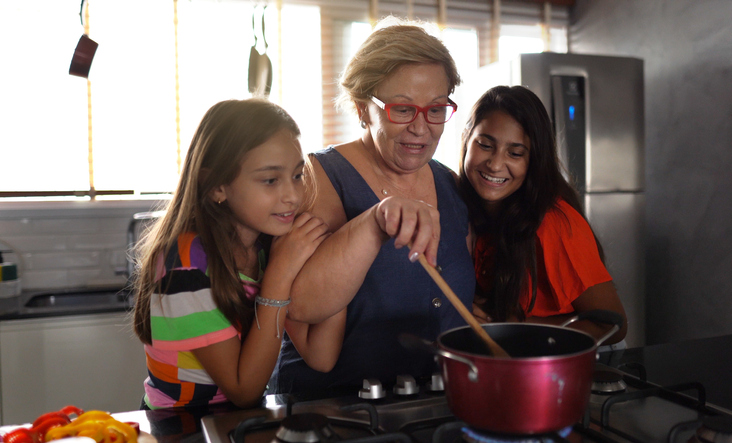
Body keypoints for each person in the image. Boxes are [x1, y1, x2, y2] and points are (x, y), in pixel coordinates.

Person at [268, 18, 475, 394]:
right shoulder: (317, 176)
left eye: (436, 109)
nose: (421, 127)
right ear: (363, 108)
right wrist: (374, 223)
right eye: (402, 109)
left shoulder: (452, 186)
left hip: (427, 407)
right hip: (327, 409)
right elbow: (298, 304)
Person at [132, 98, 345, 409]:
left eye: (298, 175)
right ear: (217, 186)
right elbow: (243, 390)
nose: (293, 195)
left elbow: (321, 355)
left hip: (233, 422)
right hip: (180, 426)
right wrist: (281, 273)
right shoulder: (185, 266)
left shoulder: (268, 246)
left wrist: (334, 258)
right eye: (270, 180)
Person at [458, 85, 628, 344]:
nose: (494, 164)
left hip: (577, 361)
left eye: (515, 153)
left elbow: (613, 325)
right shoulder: (461, 205)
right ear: (466, 140)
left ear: (534, 161)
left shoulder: (555, 224)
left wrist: (511, 325)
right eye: (485, 145)